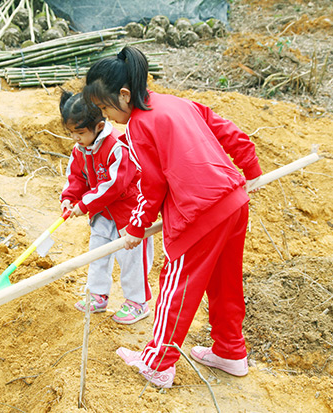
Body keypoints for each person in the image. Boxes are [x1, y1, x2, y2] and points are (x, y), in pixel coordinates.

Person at [83, 46, 262, 388]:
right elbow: (225, 128)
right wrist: (250, 166)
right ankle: (230, 351)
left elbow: (152, 185)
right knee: (225, 283)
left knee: (175, 285)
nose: (106, 117)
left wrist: (135, 226)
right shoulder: (175, 102)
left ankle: (158, 363)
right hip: (234, 202)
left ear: (123, 95)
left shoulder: (139, 125)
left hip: (200, 213)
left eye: (105, 108)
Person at [58, 90, 154, 325]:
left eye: (80, 133)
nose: (76, 139)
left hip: (128, 213)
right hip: (102, 213)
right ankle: (97, 294)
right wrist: (70, 197)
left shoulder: (118, 148)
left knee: (130, 256)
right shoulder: (80, 149)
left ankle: (137, 301)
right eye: (71, 133)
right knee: (97, 252)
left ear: (99, 127)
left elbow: (114, 185)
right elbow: (76, 177)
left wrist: (84, 204)